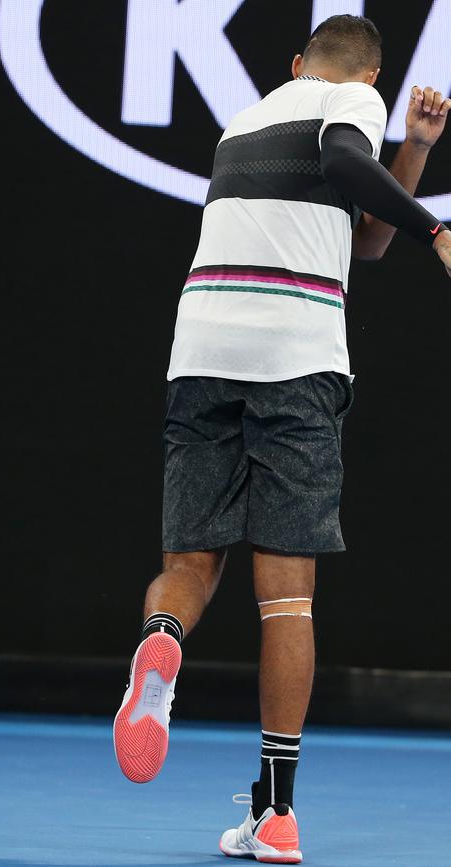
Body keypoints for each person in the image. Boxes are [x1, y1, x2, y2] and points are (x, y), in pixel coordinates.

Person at [112, 14, 451, 865]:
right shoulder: (348, 103)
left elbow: (355, 240)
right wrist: (436, 228)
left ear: (295, 64)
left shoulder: (245, 122)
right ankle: (278, 813)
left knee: (189, 567)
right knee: (287, 599)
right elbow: (345, 167)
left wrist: (413, 147)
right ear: (365, 81)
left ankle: (162, 642)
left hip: (201, 349)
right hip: (295, 358)